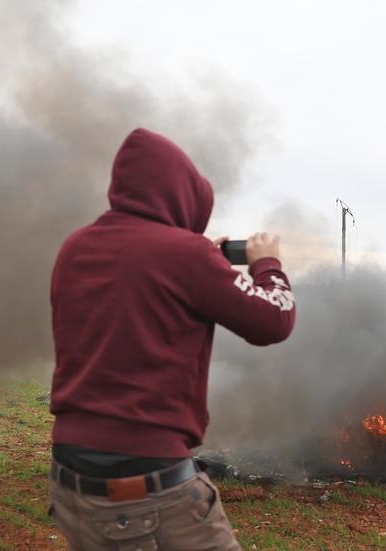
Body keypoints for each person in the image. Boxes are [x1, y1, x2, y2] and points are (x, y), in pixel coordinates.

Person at [49, 128, 297, 550]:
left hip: (70, 480)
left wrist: (200, 259)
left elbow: (139, 292)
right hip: (145, 486)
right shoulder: (184, 256)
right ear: (181, 194)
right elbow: (274, 319)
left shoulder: (75, 247)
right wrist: (267, 263)